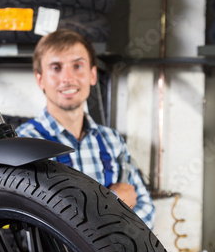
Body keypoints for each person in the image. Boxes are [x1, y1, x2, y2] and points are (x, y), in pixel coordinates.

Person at [16, 29, 155, 229]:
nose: (68, 78)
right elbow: (42, 223)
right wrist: (115, 202)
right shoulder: (24, 143)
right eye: (56, 68)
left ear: (92, 74)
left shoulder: (112, 140)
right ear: (40, 79)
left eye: (77, 66)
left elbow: (146, 208)